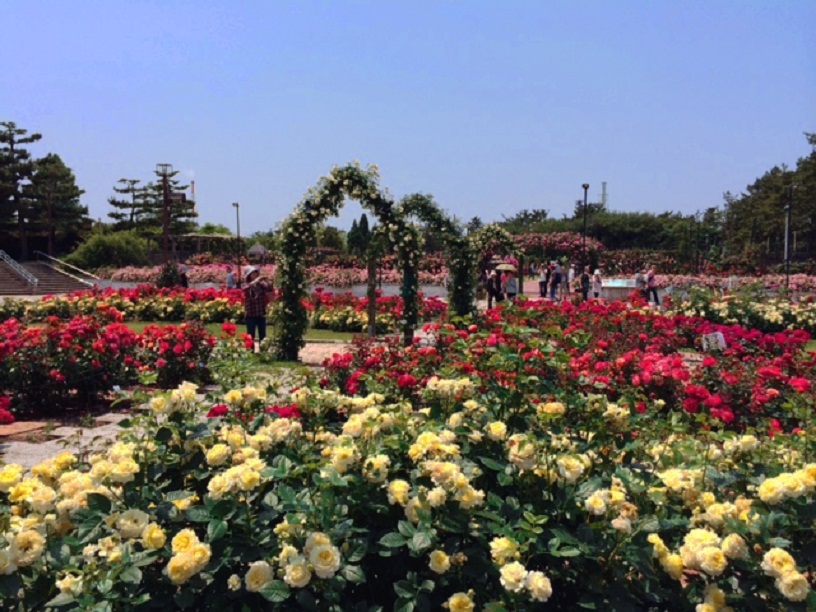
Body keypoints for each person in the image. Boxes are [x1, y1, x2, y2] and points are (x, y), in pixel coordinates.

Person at [243, 266, 273, 345]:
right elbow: (246, 289)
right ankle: (250, 353)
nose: (256, 274)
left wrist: (269, 281)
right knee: (250, 335)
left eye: (256, 273)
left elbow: (269, 291)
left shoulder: (261, 285)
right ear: (249, 275)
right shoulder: (245, 284)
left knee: (263, 335)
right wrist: (257, 280)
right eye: (253, 273)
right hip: (250, 314)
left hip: (261, 313)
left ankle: (263, 352)